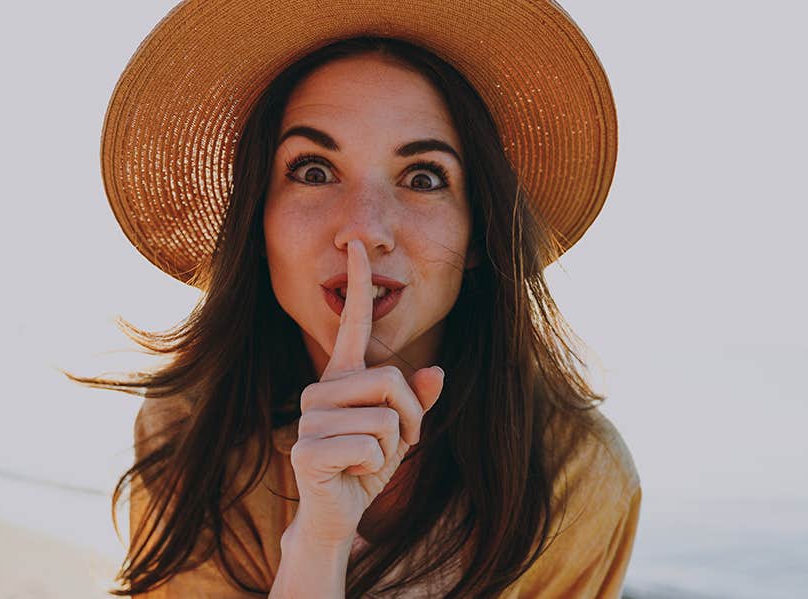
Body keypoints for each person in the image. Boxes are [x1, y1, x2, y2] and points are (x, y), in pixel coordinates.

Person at [71, 1, 640, 597]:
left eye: (423, 178)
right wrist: (318, 538)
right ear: (257, 220)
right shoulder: (191, 426)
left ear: (479, 232)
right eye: (314, 170)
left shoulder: (575, 477)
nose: (364, 228)